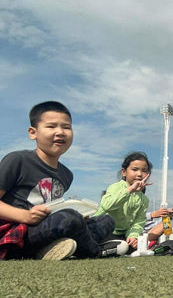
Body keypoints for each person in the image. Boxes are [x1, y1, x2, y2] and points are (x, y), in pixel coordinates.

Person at [0, 101, 117, 260]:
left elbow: (53, 207)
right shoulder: (18, 160)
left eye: (66, 127)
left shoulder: (66, 175)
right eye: (51, 126)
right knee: (70, 218)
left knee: (107, 220)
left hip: (47, 227)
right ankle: (95, 251)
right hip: (20, 231)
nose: (60, 132)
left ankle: (59, 247)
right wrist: (24, 216)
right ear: (33, 133)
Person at [94, 152, 153, 254]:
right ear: (124, 172)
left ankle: (103, 250)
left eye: (144, 171)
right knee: (120, 244)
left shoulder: (144, 199)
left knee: (131, 246)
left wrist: (133, 235)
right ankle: (93, 248)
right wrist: (129, 190)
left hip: (122, 235)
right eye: (134, 169)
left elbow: (139, 221)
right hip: (102, 229)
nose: (139, 174)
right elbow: (107, 205)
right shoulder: (115, 187)